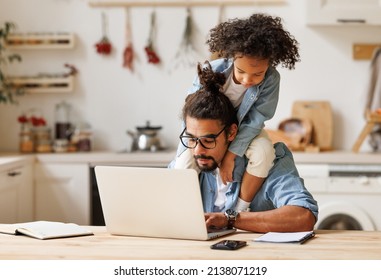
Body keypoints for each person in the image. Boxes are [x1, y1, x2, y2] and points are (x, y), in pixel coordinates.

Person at [169, 62, 318, 233]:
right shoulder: (187, 164)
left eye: (208, 141)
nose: (197, 151)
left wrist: (230, 219)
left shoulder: (273, 162)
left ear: (232, 133)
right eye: (191, 139)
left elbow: (303, 217)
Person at [174, 13, 300, 213]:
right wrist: (188, 146)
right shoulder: (214, 70)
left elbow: (257, 118)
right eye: (241, 71)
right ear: (233, 57)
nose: (248, 80)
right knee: (181, 165)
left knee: (264, 153)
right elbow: (191, 111)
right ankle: (184, 213)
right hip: (212, 130)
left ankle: (239, 209)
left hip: (247, 128)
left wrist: (231, 155)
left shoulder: (271, 80)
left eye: (257, 74)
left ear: (270, 63)